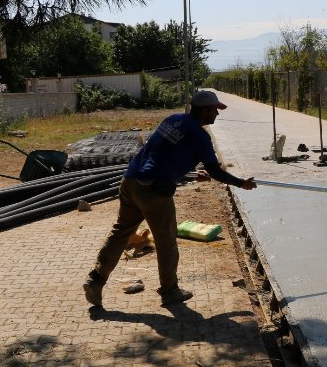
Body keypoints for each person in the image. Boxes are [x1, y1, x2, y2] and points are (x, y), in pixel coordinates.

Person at [83, 90, 256, 307]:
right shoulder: (201, 136)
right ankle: (170, 291)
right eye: (215, 110)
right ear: (204, 110)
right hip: (154, 191)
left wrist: (192, 174)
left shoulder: (173, 120)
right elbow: (216, 171)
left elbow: (162, 154)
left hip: (131, 181)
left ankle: (96, 280)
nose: (217, 114)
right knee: (166, 241)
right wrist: (242, 183)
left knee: (121, 232)